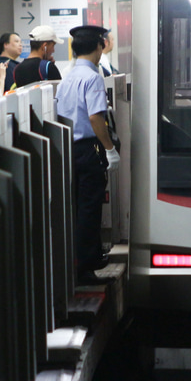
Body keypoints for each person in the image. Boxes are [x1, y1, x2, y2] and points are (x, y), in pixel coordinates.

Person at [55, 25, 119, 285]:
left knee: (78, 208)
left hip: (68, 148)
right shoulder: (92, 78)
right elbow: (95, 117)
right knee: (90, 209)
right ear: (99, 46)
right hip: (90, 148)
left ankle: (84, 261)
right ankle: (85, 269)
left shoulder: (68, 76)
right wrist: (110, 149)